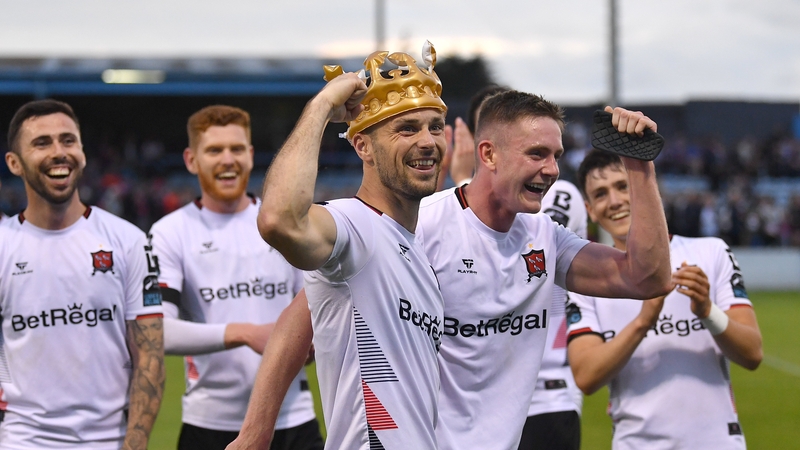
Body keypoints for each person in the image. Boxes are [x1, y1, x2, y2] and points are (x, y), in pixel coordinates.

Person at [232, 87, 673, 450]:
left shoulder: (546, 237)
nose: (552, 170)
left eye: (556, 155)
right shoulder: (417, 225)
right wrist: (256, 431)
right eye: (537, 154)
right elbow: (301, 314)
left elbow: (647, 277)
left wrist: (638, 165)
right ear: (489, 154)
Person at [238, 43, 448, 449]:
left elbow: (296, 319)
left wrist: (257, 431)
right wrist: (322, 106)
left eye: (434, 126)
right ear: (363, 146)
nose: (427, 141)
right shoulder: (355, 226)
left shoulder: (415, 252)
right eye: (406, 129)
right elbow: (279, 219)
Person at [148, 105, 322, 450]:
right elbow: (155, 331)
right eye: (214, 150)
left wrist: (316, 340)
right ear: (191, 160)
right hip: (208, 424)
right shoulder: (169, 232)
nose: (228, 160)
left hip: (293, 420)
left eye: (237, 149)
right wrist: (244, 334)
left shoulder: (283, 224)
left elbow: (316, 309)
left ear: (251, 155)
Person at [566, 149, 763, 449]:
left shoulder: (711, 252)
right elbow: (586, 376)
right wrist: (644, 322)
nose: (615, 201)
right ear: (589, 209)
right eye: (601, 194)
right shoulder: (587, 278)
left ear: (647, 189)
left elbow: (752, 353)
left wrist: (708, 311)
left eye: (623, 186)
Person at [0, 99, 164, 449]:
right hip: (23, 441)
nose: (59, 152)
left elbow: (150, 357)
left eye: (68, 140)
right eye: (42, 143)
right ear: (14, 163)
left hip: (109, 441)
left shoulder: (129, 242)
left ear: (83, 153)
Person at [443, 85, 587, 450]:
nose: (549, 167)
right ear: (485, 147)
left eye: (551, 153)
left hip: (546, 393)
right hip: (469, 409)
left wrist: (461, 180)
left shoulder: (554, 203)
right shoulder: (433, 220)